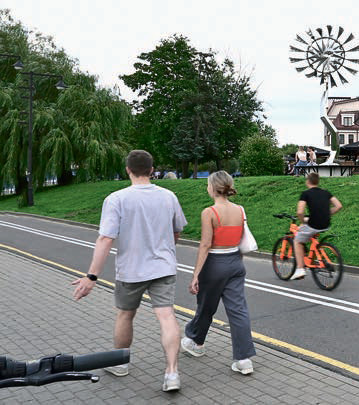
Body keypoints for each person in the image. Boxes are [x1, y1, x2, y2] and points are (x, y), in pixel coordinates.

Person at [72, 150, 187, 392]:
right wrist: (165, 249)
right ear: (152, 170)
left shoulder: (116, 199)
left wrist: (92, 276)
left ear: (128, 170)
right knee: (167, 316)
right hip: (163, 267)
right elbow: (177, 230)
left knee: (125, 315)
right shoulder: (169, 196)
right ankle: (172, 373)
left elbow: (105, 238)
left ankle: (120, 363)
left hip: (131, 270)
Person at [181, 171, 256, 375]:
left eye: (207, 185)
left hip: (214, 263)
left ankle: (196, 342)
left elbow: (206, 245)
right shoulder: (240, 210)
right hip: (235, 262)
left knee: (206, 306)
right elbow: (240, 239)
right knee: (238, 311)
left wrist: (196, 274)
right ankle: (244, 359)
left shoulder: (209, 212)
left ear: (213, 188)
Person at [290, 173, 343, 280]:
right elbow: (339, 206)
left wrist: (302, 222)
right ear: (317, 181)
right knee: (309, 231)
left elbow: (300, 212)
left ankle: (300, 269)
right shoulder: (326, 192)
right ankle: (314, 254)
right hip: (326, 224)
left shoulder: (305, 194)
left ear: (307, 181)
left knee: (297, 241)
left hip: (314, 224)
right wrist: (326, 213)